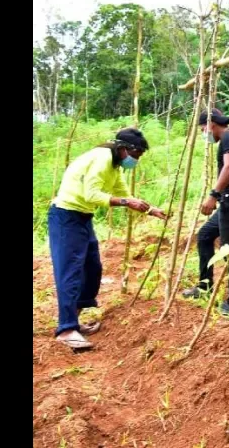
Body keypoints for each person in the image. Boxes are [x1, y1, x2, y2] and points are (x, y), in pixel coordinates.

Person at [49, 128, 166, 350]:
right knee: (70, 271)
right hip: (66, 215)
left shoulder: (115, 165)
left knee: (92, 268)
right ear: (124, 148)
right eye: (136, 155)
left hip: (83, 217)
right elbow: (90, 194)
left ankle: (74, 320)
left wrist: (150, 209)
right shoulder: (102, 158)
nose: (136, 160)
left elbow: (125, 194)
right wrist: (124, 202)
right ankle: (66, 329)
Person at [181, 108, 229, 317]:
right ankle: (204, 287)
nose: (204, 133)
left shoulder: (228, 137)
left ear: (211, 124)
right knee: (204, 236)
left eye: (203, 129)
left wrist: (213, 195)